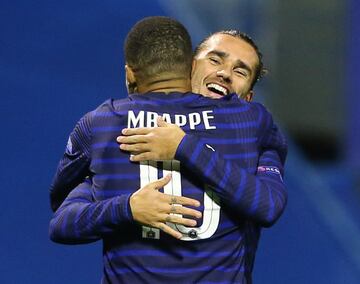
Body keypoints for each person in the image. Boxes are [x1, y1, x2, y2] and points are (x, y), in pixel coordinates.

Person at [49, 16, 287, 283]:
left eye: (240, 71)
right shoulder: (115, 130)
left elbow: (268, 206)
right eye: (216, 59)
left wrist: (183, 146)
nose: (225, 73)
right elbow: (62, 220)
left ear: (248, 98)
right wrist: (127, 208)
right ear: (189, 66)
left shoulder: (254, 127)